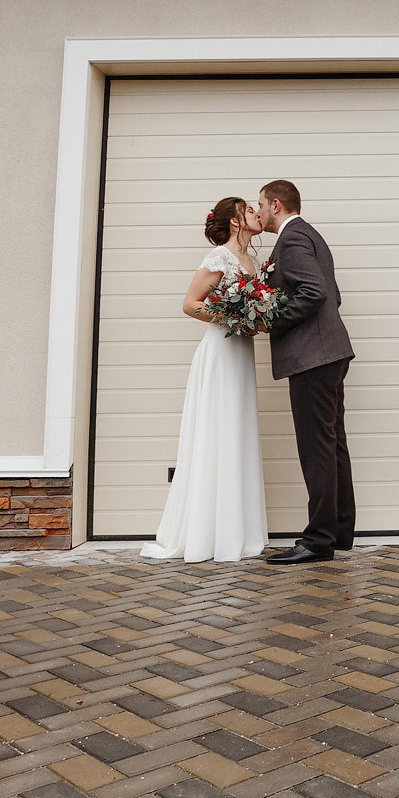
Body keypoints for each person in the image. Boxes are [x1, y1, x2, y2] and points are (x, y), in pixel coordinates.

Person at [141, 196, 269, 563]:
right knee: (218, 430)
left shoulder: (251, 261)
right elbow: (190, 303)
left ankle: (237, 532)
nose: (256, 213)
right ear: (235, 221)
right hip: (220, 351)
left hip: (241, 351)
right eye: (249, 210)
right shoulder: (219, 258)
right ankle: (207, 534)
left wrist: (257, 318)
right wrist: (233, 317)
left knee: (237, 431)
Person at [257, 180, 357, 564]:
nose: (258, 212)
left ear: (276, 204)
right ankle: (337, 531)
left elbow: (315, 291)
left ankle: (318, 540)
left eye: (260, 205)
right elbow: (333, 294)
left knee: (317, 449)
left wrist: (273, 320)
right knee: (331, 445)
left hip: (313, 358)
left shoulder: (292, 240)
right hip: (329, 353)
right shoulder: (310, 235)